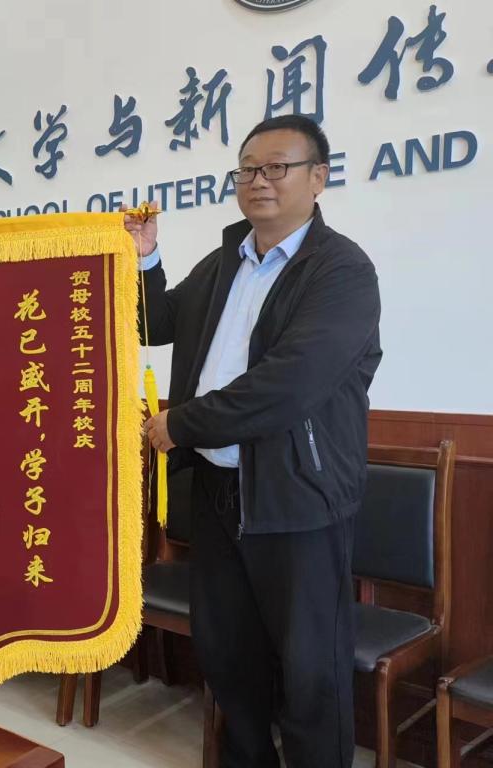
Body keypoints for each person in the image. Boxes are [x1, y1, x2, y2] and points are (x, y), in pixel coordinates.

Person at [127, 115, 382, 768]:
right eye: (247, 169)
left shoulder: (341, 270)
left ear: (318, 178)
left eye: (277, 168)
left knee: (310, 670)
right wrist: (145, 257)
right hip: (217, 489)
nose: (259, 181)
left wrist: (181, 424)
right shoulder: (224, 263)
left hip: (298, 496)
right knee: (228, 657)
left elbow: (288, 385)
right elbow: (153, 321)